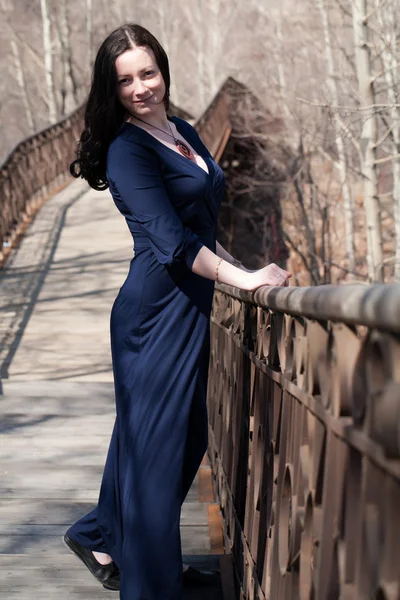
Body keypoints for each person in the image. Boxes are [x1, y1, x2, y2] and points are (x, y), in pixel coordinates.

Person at [63, 23, 291, 600]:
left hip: (191, 305)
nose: (140, 87)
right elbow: (172, 240)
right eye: (125, 81)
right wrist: (245, 278)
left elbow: (203, 228)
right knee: (157, 451)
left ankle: (100, 532)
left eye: (148, 73)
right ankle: (151, 582)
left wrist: (243, 269)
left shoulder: (183, 130)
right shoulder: (127, 150)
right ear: (110, 91)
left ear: (163, 70)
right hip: (153, 316)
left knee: (174, 438)